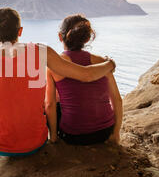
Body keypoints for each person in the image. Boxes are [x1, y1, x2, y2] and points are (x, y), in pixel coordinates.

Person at [0, 8, 116, 156]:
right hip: (36, 142)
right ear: (20, 31)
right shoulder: (41, 52)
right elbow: (86, 75)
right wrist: (110, 64)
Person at [45, 14, 122, 146]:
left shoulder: (54, 67)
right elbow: (117, 99)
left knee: (51, 101)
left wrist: (53, 137)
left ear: (60, 36)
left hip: (73, 136)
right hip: (104, 132)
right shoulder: (102, 62)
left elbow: (50, 105)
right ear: (86, 39)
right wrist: (115, 134)